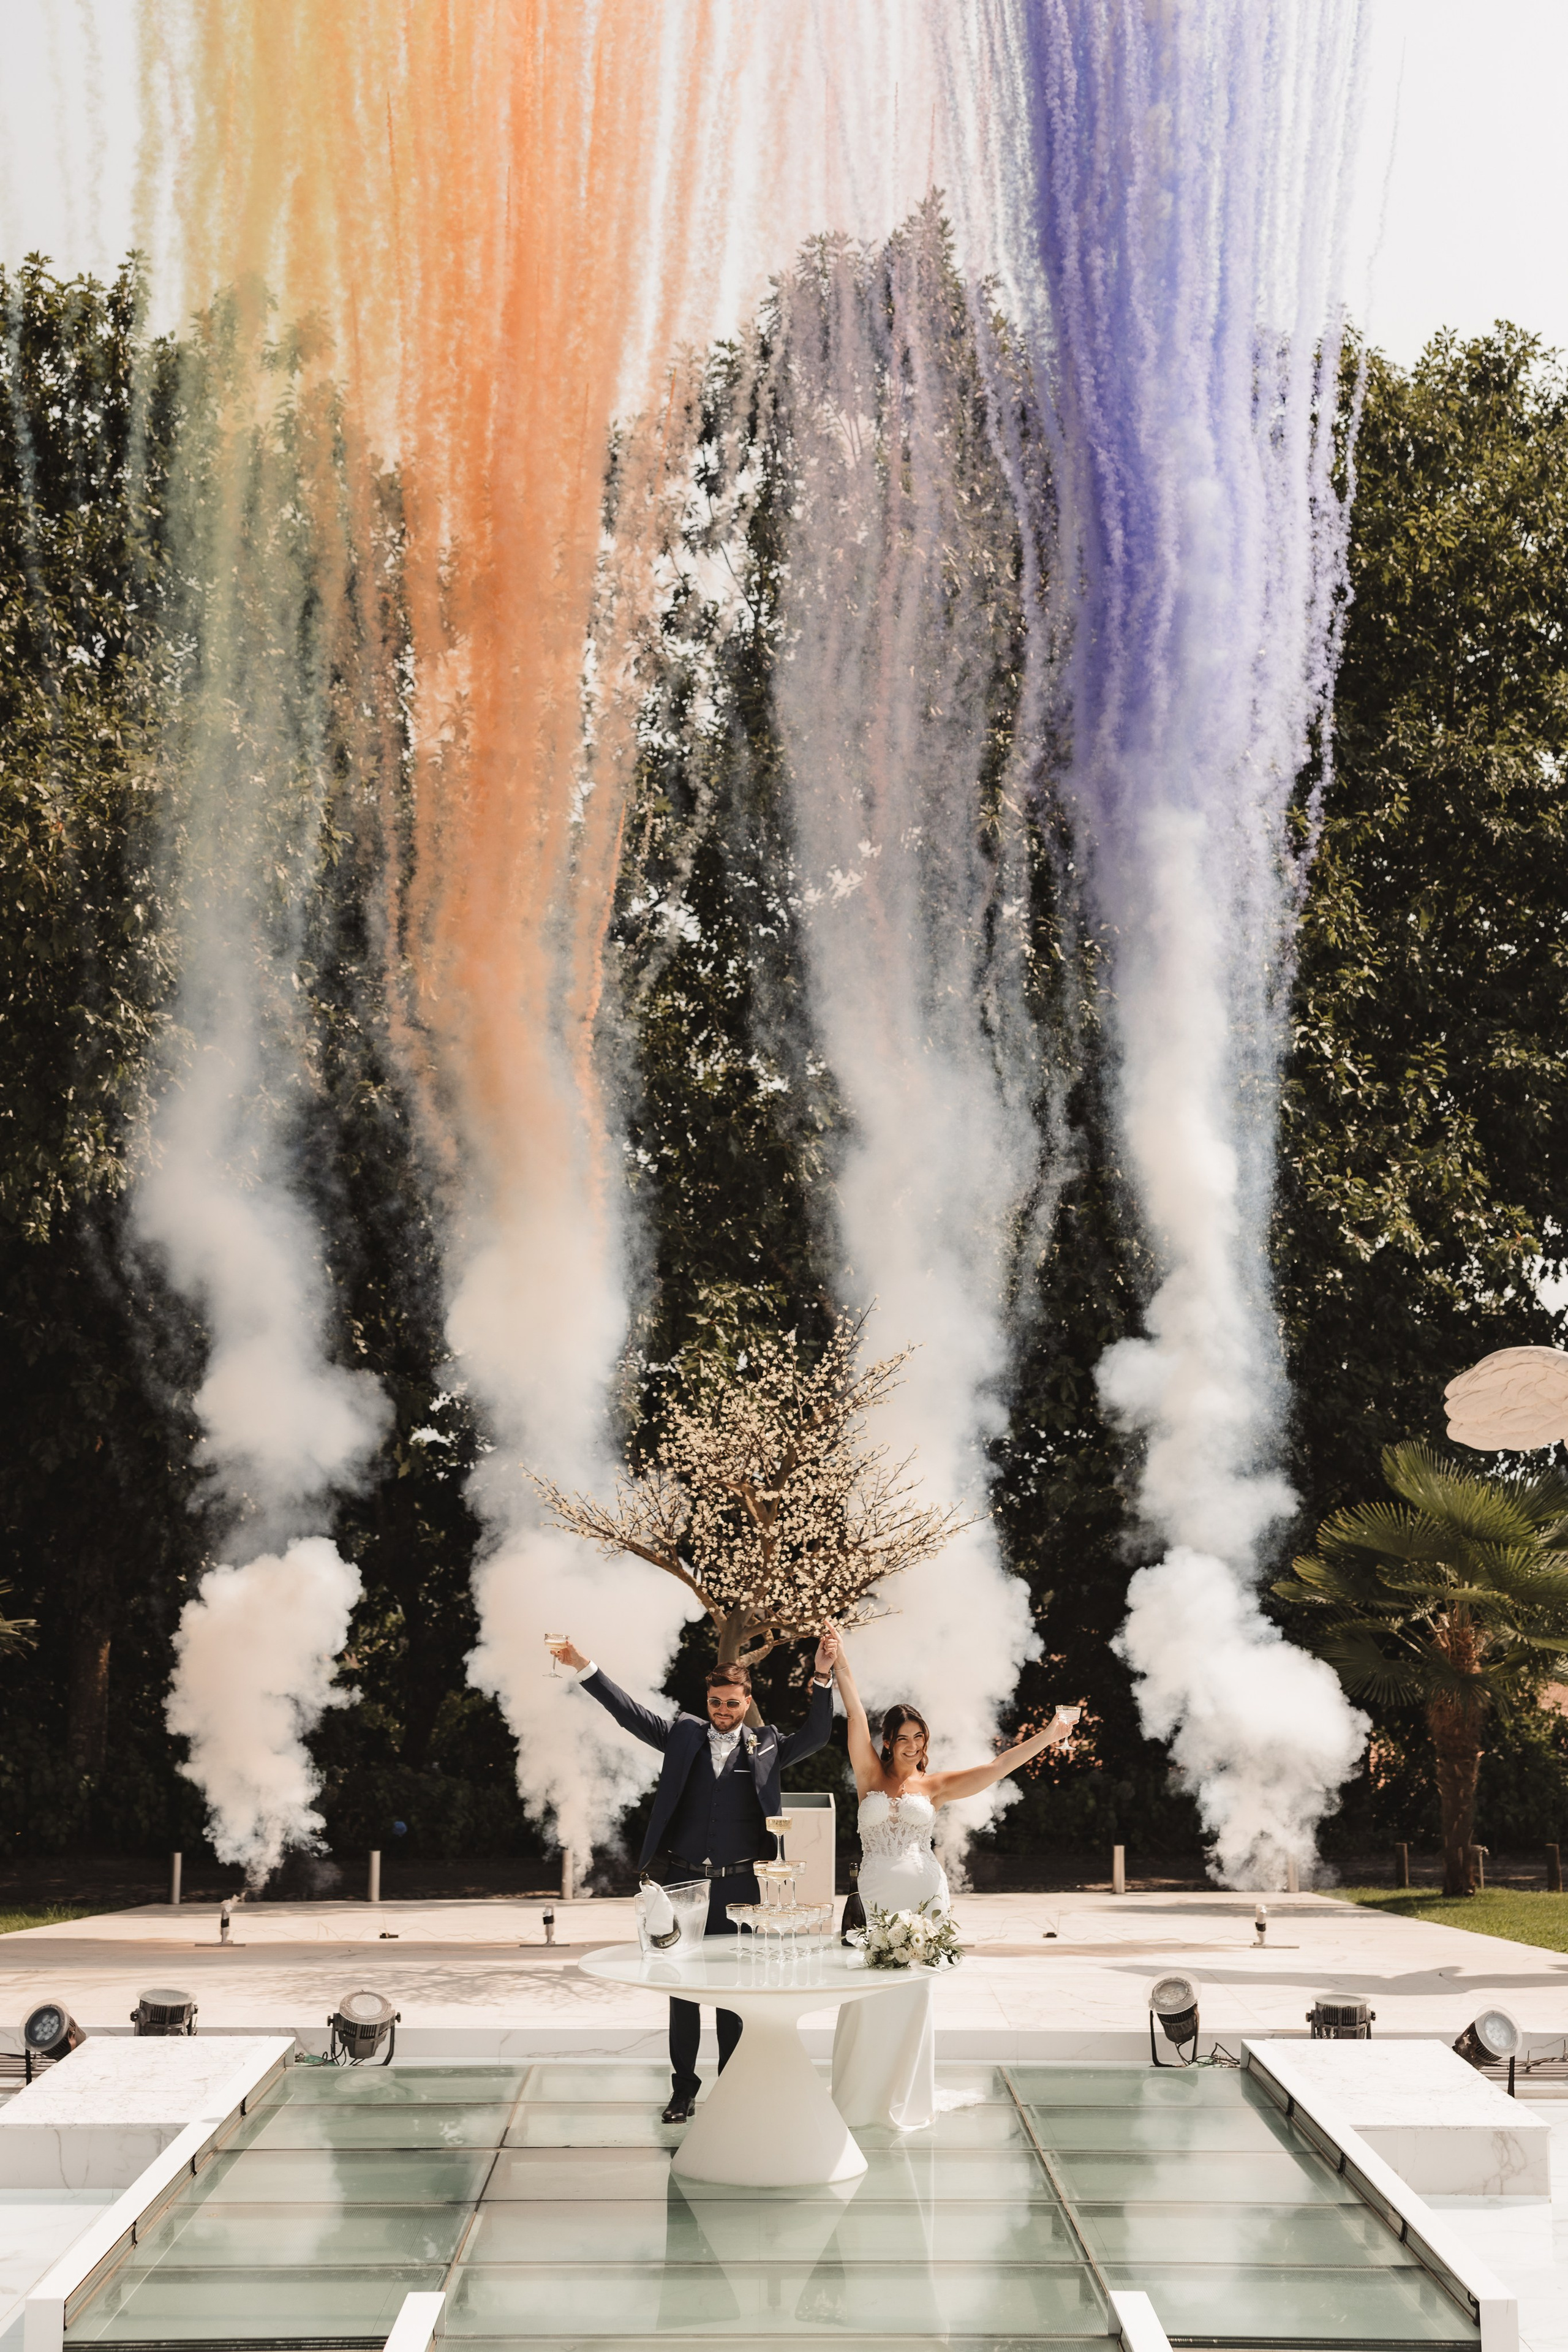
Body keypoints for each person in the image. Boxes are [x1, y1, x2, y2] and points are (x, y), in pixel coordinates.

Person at [548, 1629, 840, 2122]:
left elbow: (817, 1734)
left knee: (731, 1990)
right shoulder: (683, 1734)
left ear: (747, 1702)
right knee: (681, 1991)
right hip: (682, 1884)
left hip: (740, 1885)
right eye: (714, 1703)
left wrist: (823, 1674)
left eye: (730, 1703)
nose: (721, 1711)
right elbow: (628, 1712)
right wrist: (582, 1664)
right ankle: (683, 2089)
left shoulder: (766, 1746)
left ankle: (731, 2086)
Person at [830, 1640, 1079, 2130]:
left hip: (924, 1898)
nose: (914, 1745)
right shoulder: (869, 1777)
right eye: (904, 1738)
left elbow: (996, 1768)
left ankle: (905, 2095)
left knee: (912, 1995)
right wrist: (840, 1661)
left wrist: (1050, 1735)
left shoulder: (935, 1786)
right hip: (876, 1895)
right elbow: (855, 1713)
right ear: (888, 1742)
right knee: (867, 1994)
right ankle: (861, 2097)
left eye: (920, 1737)